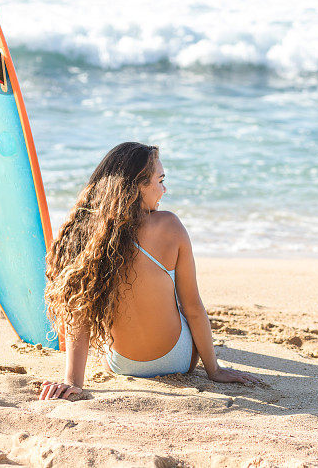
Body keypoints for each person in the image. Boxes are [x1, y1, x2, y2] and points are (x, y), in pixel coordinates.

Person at [39, 142, 264, 400]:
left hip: (122, 364)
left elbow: (79, 317)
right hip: (178, 359)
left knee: (86, 296)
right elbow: (193, 307)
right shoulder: (170, 225)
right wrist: (214, 370)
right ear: (137, 186)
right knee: (179, 307)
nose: (164, 189)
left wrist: (72, 381)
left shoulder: (85, 233)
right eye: (160, 180)